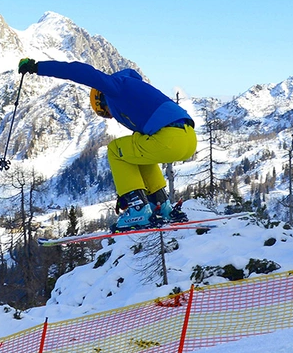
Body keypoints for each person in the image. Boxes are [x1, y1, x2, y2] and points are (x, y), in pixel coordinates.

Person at [18, 57, 196, 231]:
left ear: (102, 99)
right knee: (136, 149)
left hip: (169, 139)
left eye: (105, 112)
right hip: (188, 139)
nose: (110, 116)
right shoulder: (135, 88)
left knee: (115, 149)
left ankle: (138, 209)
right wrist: (126, 190)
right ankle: (162, 206)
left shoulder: (115, 87)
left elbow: (79, 72)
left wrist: (38, 67)